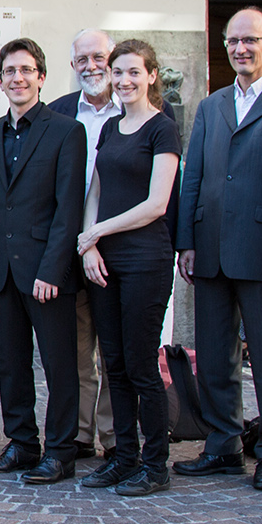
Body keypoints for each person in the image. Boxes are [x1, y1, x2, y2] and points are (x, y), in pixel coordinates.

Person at [173, 7, 262, 491]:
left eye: (251, 40)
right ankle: (223, 444)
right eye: (233, 41)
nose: (241, 48)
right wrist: (185, 240)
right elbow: (195, 177)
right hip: (208, 247)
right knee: (215, 353)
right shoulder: (212, 104)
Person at [0, 38, 86, 485]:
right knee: (12, 361)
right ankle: (21, 442)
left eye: (26, 70)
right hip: (2, 269)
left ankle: (60, 451)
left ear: (41, 76)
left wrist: (52, 269)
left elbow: (68, 208)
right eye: (9, 71)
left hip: (46, 271)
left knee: (59, 364)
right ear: (0, 81)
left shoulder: (65, 131)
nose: (17, 78)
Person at [77, 40, 181, 497]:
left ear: (151, 76)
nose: (124, 81)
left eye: (134, 72)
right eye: (117, 72)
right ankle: (123, 458)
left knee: (141, 365)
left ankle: (155, 465)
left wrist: (98, 233)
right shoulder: (111, 129)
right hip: (105, 263)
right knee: (113, 364)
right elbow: (95, 192)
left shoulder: (163, 129)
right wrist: (89, 247)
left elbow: (156, 204)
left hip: (146, 259)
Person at [47, 29, 118, 463]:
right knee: (74, 350)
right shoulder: (57, 112)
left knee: (115, 350)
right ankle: (78, 433)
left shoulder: (139, 109)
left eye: (99, 57)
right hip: (69, 246)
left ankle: (114, 436)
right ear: (72, 66)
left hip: (120, 244)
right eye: (82, 60)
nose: (91, 66)